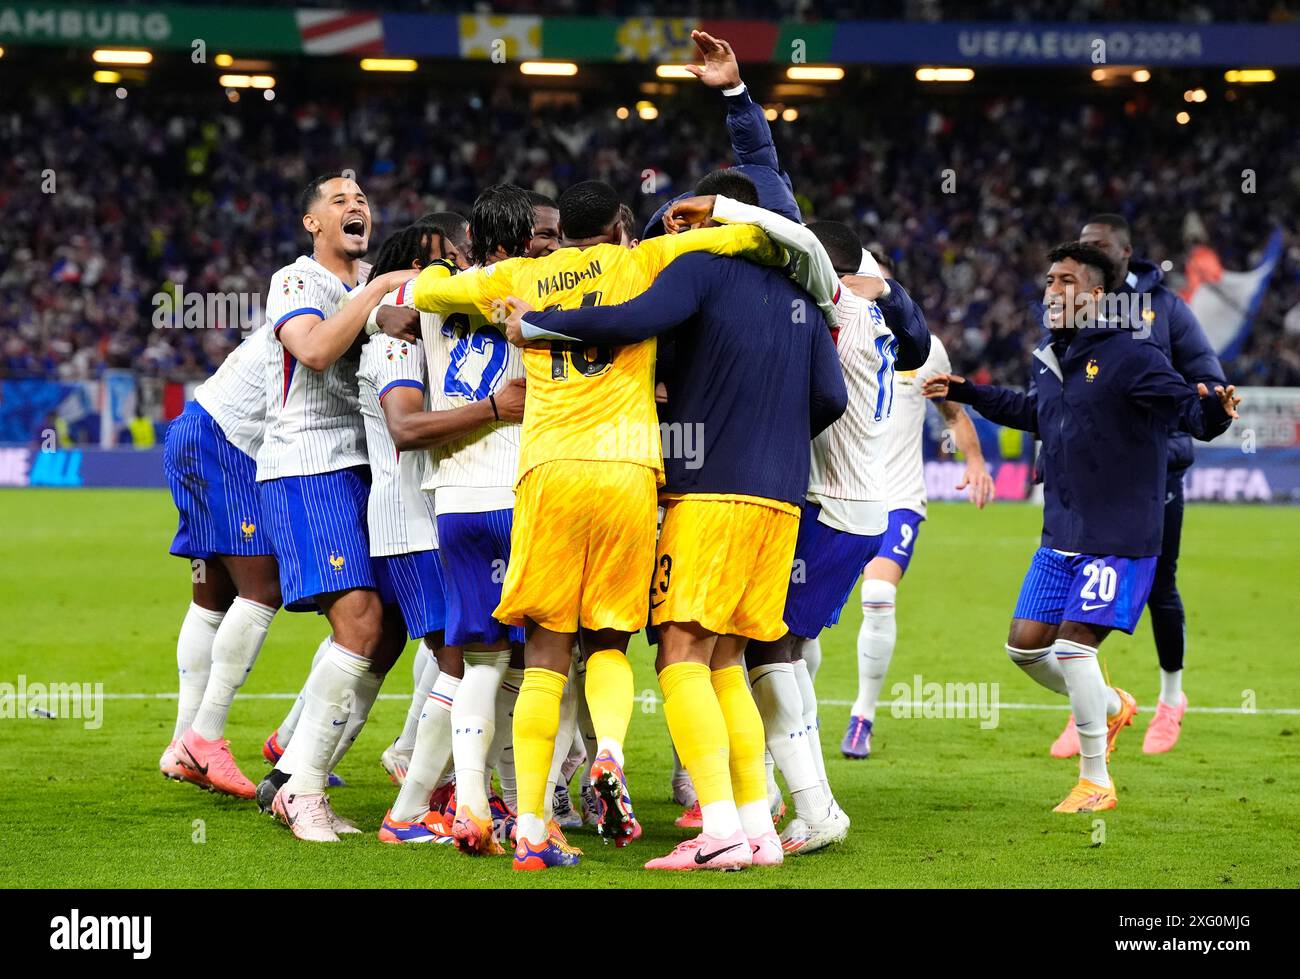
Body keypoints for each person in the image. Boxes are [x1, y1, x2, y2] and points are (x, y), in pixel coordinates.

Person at [404, 179, 788, 871]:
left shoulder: (523, 273)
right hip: (627, 473)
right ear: (618, 224)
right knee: (609, 638)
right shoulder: (645, 261)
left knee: (546, 651)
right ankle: (607, 750)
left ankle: (529, 825)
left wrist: (434, 270)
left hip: (549, 469)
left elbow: (431, 293)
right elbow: (757, 239)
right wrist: (713, 216)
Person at [505, 188, 849, 870]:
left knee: (680, 652)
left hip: (710, 489)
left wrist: (537, 325)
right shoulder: (801, 292)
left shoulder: (698, 267)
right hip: (780, 501)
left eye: (688, 218)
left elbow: (634, 317)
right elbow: (831, 397)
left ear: (717, 221)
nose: (676, 226)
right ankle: (757, 827)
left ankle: (718, 825)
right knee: (728, 659)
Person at [923, 241, 1238, 813]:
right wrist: (967, 392)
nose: (1052, 291)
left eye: (1066, 281)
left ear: (1096, 295)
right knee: (1023, 650)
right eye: (1049, 280)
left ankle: (1097, 782)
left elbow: (1188, 414)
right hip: (1061, 535)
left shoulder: (1133, 357)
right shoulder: (1051, 357)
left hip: (1120, 538)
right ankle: (1114, 705)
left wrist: (1214, 409)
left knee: (1072, 650)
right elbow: (1031, 412)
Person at [251, 172, 417, 842]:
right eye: (338, 202)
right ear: (312, 224)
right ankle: (303, 788)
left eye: (362, 201)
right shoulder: (295, 280)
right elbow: (316, 351)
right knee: (359, 621)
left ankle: (292, 769)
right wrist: (378, 290)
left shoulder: (365, 284)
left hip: (362, 472)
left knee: (393, 627)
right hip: (307, 464)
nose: (356, 208)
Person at [1062, 213, 1227, 755]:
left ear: (1127, 251)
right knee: (1074, 582)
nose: (1092, 252)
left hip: (1155, 472)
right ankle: (1092, 700)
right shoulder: (1074, 309)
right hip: (1086, 475)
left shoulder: (1165, 309)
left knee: (1160, 586)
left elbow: (1206, 372)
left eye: (1102, 246)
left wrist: (1203, 403)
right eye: (1085, 246)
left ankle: (1170, 700)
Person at [844, 253, 995, 761]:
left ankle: (862, 715)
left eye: (884, 286)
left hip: (898, 498)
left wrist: (973, 460)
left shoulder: (926, 350)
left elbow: (952, 412)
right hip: (838, 496)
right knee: (795, 623)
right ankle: (794, 722)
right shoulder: (831, 334)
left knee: (878, 597)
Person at [161, 324, 283, 799]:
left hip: (195, 429)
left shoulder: (333, 290)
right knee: (263, 590)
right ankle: (204, 739)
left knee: (211, 597)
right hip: (225, 442)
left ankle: (181, 742)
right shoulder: (338, 295)